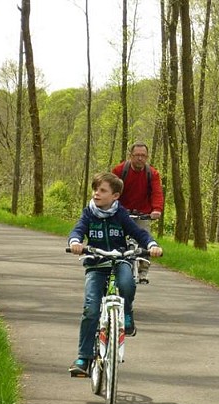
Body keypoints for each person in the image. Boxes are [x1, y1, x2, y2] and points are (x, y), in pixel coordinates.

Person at [67, 172, 163, 376]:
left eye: (102, 190)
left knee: (127, 283)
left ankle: (126, 313)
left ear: (115, 196)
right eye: (95, 189)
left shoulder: (121, 214)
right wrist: (75, 242)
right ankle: (84, 357)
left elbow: (140, 233)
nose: (96, 194)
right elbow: (78, 230)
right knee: (91, 309)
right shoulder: (88, 213)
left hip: (120, 259)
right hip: (96, 262)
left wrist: (152, 245)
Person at [111, 141, 164, 284]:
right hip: (121, 212)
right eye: (137, 155)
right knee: (116, 238)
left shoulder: (152, 174)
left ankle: (143, 273)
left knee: (145, 241)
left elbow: (157, 192)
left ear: (147, 157)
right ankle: (113, 266)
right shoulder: (119, 171)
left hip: (143, 213)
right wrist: (111, 207)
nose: (140, 158)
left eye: (143, 155)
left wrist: (157, 209)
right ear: (130, 156)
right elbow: (111, 190)